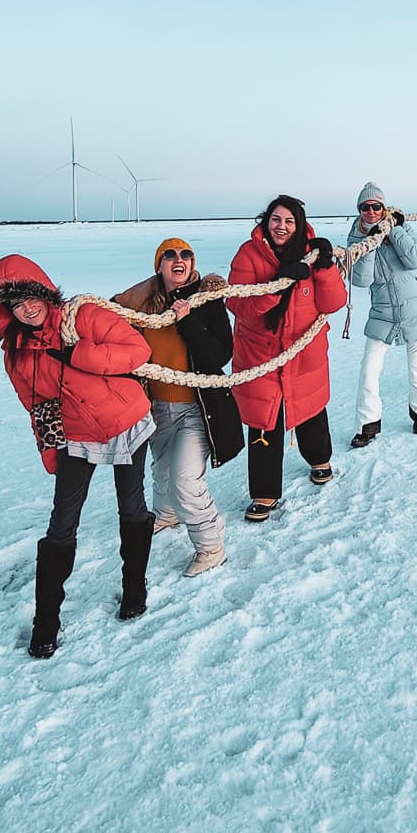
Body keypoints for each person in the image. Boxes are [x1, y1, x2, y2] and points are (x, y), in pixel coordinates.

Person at [0, 253, 154, 659]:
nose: (28, 308)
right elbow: (35, 404)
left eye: (32, 297)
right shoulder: (16, 352)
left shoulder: (81, 317)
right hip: (74, 435)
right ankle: (46, 620)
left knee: (132, 505)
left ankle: (134, 586)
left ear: (45, 293)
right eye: (16, 304)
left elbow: (138, 350)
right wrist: (49, 449)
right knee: (61, 525)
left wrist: (82, 355)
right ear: (5, 310)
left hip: (124, 420)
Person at [113, 238, 244, 578]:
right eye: (169, 255)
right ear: (159, 266)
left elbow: (218, 355)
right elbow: (115, 316)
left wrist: (186, 319)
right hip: (157, 407)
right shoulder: (144, 306)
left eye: (185, 254)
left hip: (197, 409)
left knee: (185, 480)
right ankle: (167, 514)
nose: (178, 259)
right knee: (162, 469)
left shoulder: (205, 301)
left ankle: (211, 547)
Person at [228, 196, 347, 522]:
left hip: (304, 352)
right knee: (264, 421)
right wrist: (276, 287)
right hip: (260, 354)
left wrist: (324, 269)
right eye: (276, 219)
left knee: (310, 407)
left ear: (299, 224)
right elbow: (238, 304)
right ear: (266, 221)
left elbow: (334, 302)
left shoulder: (312, 253)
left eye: (289, 221)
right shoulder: (248, 254)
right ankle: (264, 493)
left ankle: (319, 459)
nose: (282, 227)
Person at [346, 181, 417, 446]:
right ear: (359, 210)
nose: (371, 212)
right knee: (368, 371)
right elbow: (361, 280)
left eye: (376, 206)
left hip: (416, 311)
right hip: (383, 314)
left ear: (383, 207)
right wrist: (370, 242)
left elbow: (415, 259)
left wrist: (394, 230)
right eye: (365, 207)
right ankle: (367, 424)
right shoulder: (356, 238)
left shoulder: (401, 227)